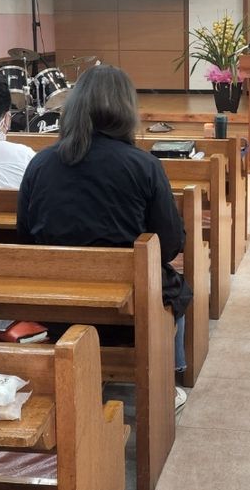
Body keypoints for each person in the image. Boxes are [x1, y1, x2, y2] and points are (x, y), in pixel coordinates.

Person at [15, 64, 193, 411]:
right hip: (127, 308)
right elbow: (170, 244)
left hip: (57, 304)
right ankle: (166, 381)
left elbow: (25, 236)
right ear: (127, 110)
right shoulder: (143, 165)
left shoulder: (41, 163)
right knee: (176, 289)